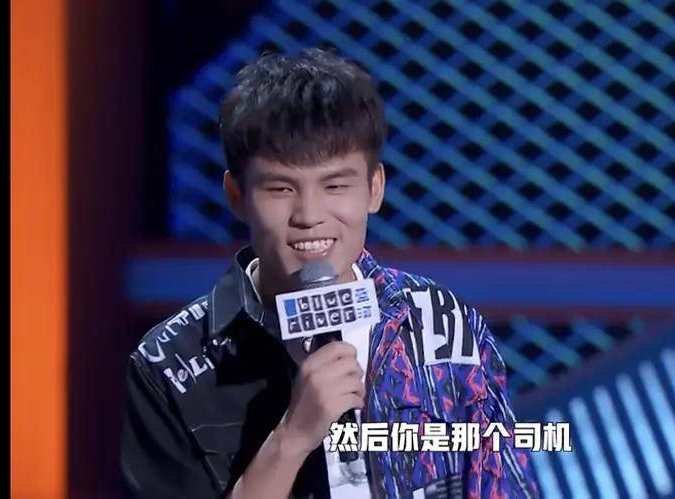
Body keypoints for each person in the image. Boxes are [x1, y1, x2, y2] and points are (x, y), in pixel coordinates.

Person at [120, 47, 540, 499]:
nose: (310, 216)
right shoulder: (170, 365)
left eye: (335, 185)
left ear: (374, 189)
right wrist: (292, 438)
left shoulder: (442, 326)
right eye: (281, 188)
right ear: (237, 195)